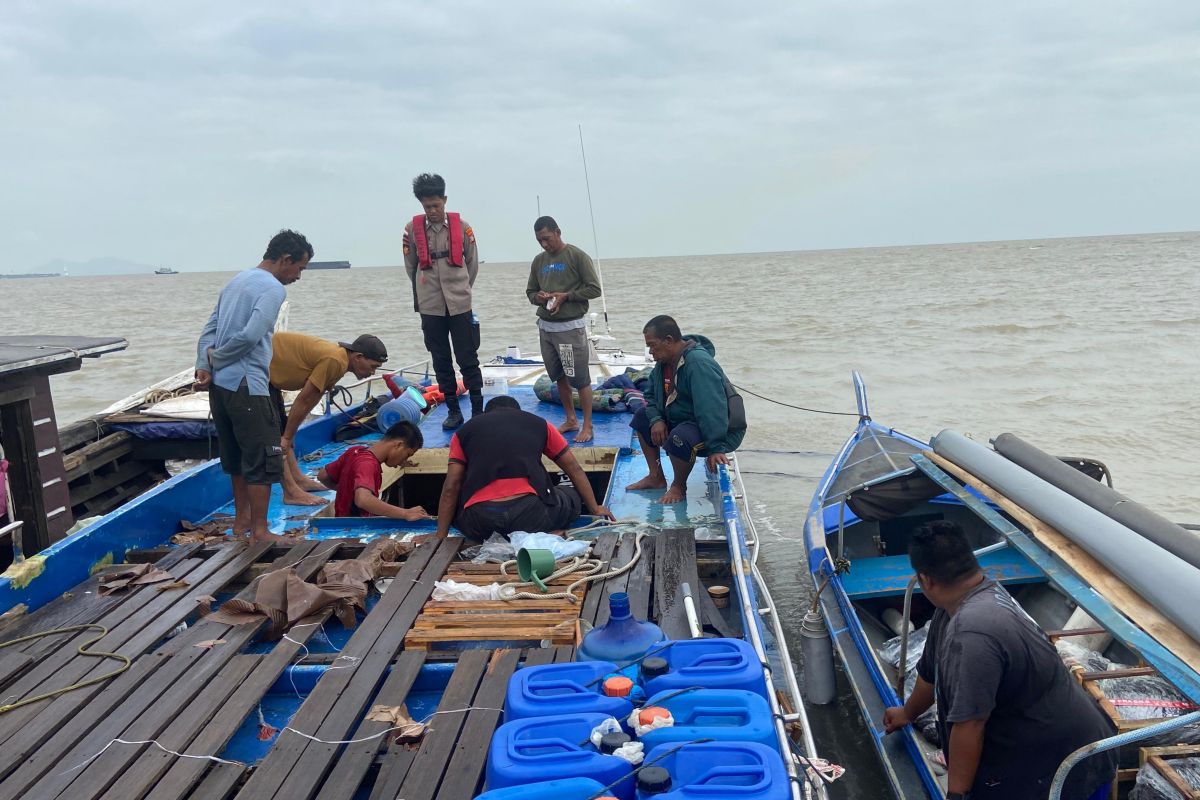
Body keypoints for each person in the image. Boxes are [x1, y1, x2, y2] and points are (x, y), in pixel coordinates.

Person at [883, 521, 1117, 800]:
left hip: (1069, 763)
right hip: (1055, 741)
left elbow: (970, 724)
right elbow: (928, 675)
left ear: (926, 580)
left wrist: (956, 795)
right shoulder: (955, 609)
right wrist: (907, 714)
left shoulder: (972, 632)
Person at [195, 229, 312, 542]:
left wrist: (204, 367)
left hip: (220, 389)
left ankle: (242, 521)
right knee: (262, 457)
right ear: (285, 259)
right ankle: (261, 531)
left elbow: (209, 330)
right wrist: (218, 359)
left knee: (235, 457)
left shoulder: (235, 281)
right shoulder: (273, 289)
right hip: (248, 385)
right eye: (299, 268)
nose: (298, 276)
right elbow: (250, 336)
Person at [435, 395, 614, 540]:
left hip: (480, 523)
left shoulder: (463, 432)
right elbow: (574, 469)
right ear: (517, 412)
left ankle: (512, 535)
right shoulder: (540, 424)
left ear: (485, 414)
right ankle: (543, 533)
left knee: (458, 508)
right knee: (570, 495)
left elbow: (452, 487)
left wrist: (440, 536)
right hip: (531, 515)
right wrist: (595, 509)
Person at [626, 315, 746, 504]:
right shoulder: (664, 362)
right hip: (683, 417)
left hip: (718, 429)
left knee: (679, 436)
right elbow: (649, 394)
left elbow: (712, 408)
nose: (650, 352)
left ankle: (679, 486)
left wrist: (716, 448)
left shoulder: (698, 364)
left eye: (652, 345)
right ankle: (655, 476)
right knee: (642, 418)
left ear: (668, 341)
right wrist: (657, 419)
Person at [269, 332, 389, 505]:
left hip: (270, 381)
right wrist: (287, 437)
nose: (373, 372)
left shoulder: (340, 360)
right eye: (373, 366)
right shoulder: (335, 361)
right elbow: (303, 399)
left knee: (283, 431)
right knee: (275, 439)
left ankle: (299, 480)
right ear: (358, 357)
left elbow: (314, 398)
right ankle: (291, 492)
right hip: (258, 373)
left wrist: (290, 432)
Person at [403, 172, 482, 430]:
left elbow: (472, 264)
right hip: (431, 307)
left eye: (436, 205)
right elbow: (411, 266)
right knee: (440, 359)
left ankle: (478, 411)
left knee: (468, 357)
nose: (432, 211)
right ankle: (453, 410)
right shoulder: (411, 231)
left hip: (460, 304)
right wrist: (427, 293)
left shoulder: (463, 228)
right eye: (427, 207)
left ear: (445, 200)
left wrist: (461, 290)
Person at [525, 216, 603, 443]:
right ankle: (571, 419)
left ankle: (587, 425)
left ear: (558, 232)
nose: (544, 244)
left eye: (547, 239)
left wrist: (567, 296)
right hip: (546, 328)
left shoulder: (577, 256)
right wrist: (539, 298)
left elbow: (594, 289)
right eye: (540, 240)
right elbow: (530, 292)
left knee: (580, 378)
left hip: (570, 328)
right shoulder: (538, 261)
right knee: (558, 375)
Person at [316, 421, 429, 520]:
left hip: (341, 521)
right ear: (399, 445)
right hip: (356, 529)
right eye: (407, 454)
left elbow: (323, 475)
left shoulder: (355, 451)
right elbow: (363, 499)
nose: (403, 461)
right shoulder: (368, 464)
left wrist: (345, 489)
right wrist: (405, 513)